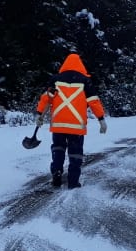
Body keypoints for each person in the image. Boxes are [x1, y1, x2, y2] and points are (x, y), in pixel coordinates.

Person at [36, 52, 107, 189]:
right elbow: (94, 102)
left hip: (58, 124)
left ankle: (56, 171)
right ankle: (73, 182)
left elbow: (46, 98)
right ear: (80, 65)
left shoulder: (56, 79)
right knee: (75, 152)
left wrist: (39, 114)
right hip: (76, 126)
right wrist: (101, 119)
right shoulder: (85, 81)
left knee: (58, 148)